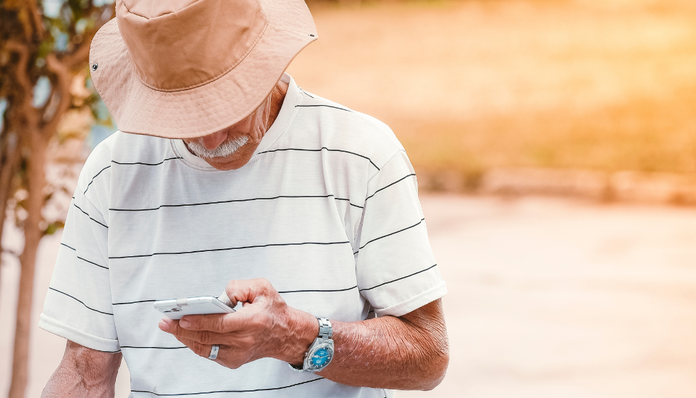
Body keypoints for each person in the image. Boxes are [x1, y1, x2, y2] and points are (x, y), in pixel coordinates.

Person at [39, 0, 449, 396]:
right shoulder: (112, 172)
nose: (210, 139)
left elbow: (427, 355)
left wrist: (295, 337)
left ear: (267, 63)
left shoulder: (361, 154)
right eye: (183, 112)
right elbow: (83, 374)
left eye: (222, 105)